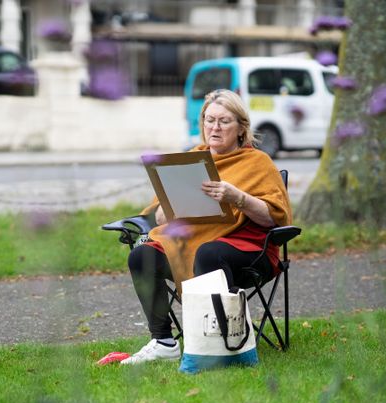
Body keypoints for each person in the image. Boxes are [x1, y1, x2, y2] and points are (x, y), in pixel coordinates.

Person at [121, 89, 292, 365]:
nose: (215, 127)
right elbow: (159, 217)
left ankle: (224, 342)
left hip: (248, 248)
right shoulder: (192, 159)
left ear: (241, 128)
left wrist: (237, 197)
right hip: (191, 242)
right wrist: (169, 207)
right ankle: (164, 342)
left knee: (210, 253)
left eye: (224, 121)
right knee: (142, 255)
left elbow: (273, 217)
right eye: (209, 120)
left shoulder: (258, 163)